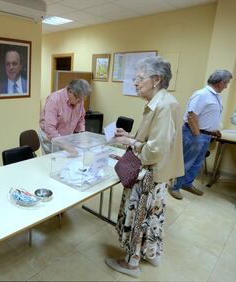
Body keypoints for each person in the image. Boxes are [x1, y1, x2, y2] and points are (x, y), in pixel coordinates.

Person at [105, 57, 184, 278]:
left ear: (156, 79)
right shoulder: (164, 101)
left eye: (140, 78)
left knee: (139, 218)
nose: (135, 83)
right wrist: (130, 137)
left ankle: (131, 264)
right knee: (151, 218)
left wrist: (131, 144)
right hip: (159, 174)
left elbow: (155, 150)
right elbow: (156, 140)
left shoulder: (164, 105)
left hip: (150, 175)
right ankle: (150, 253)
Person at [169, 70, 233, 200]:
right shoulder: (202, 94)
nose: (226, 86)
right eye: (226, 83)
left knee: (197, 163)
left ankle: (186, 183)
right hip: (194, 133)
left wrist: (214, 130)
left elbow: (207, 116)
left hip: (206, 135)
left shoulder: (215, 96)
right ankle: (174, 187)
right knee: (186, 162)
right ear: (221, 83)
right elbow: (192, 116)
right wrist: (197, 135)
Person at [39, 79, 91, 154]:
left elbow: (81, 119)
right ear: (70, 91)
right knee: (53, 162)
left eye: (81, 99)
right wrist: (65, 146)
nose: (80, 102)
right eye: (78, 99)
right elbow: (50, 128)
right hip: (50, 137)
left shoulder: (79, 99)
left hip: (66, 137)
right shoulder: (54, 99)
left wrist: (81, 134)